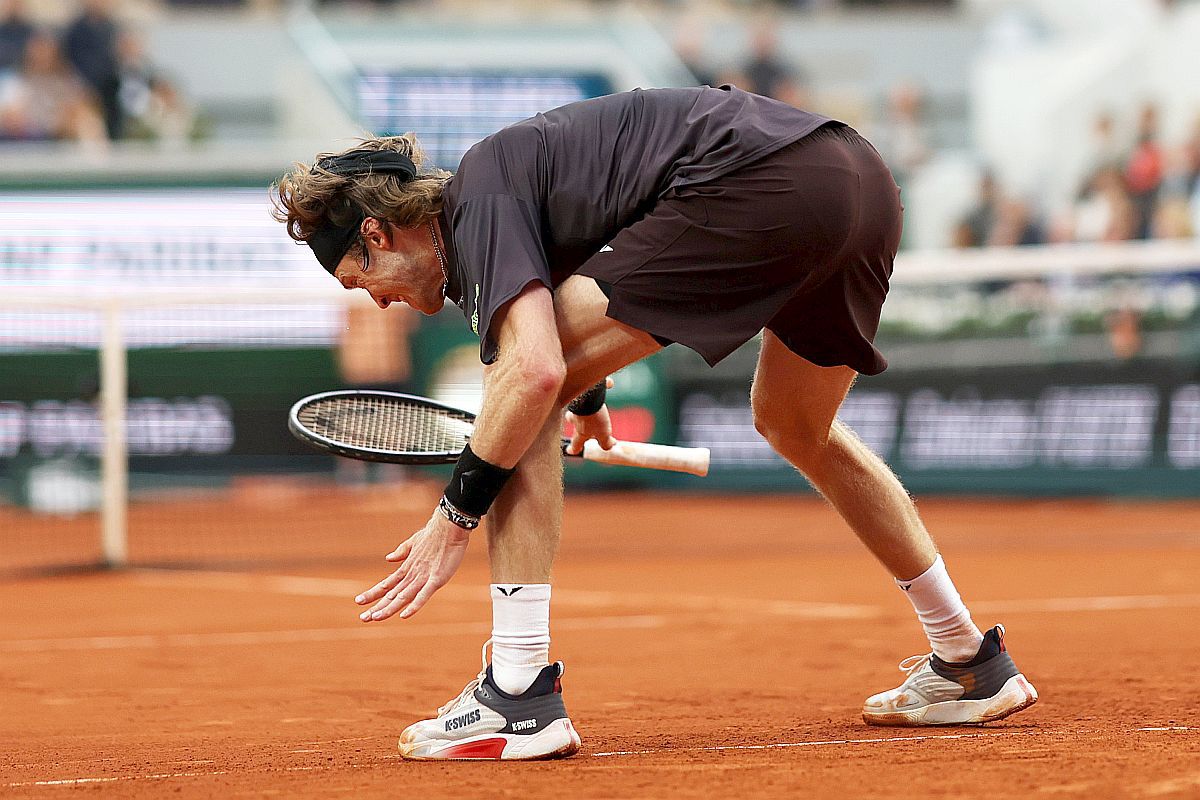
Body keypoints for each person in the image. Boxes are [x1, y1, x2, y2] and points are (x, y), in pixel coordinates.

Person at [273, 85, 1038, 761]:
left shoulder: (478, 194)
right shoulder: (499, 193)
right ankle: (968, 658)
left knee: (516, 384)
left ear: (378, 234)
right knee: (794, 424)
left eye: (360, 280)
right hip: (860, 183)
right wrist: (591, 402)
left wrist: (454, 517)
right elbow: (582, 298)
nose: (375, 302)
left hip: (764, 182)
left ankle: (517, 695)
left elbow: (535, 368)